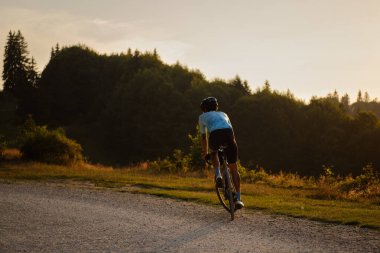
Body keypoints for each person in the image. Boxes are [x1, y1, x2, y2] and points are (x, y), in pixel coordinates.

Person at [199, 97, 244, 208]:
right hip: (229, 135)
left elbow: (204, 137)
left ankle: (218, 175)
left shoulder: (202, 117)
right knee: (234, 169)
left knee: (214, 153)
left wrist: (205, 153)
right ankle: (238, 199)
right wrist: (232, 146)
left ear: (204, 109)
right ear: (216, 107)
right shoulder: (224, 114)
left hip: (215, 135)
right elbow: (231, 132)